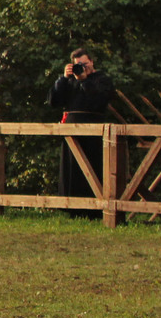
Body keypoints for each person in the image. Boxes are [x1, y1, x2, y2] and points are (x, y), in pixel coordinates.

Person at [48, 48, 114, 205]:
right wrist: (63, 78)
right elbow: (53, 101)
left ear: (91, 62)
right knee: (71, 168)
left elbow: (99, 100)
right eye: (78, 64)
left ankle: (93, 205)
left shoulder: (102, 79)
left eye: (84, 63)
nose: (82, 67)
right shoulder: (70, 80)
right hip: (72, 129)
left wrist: (84, 80)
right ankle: (70, 206)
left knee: (92, 168)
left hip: (93, 129)